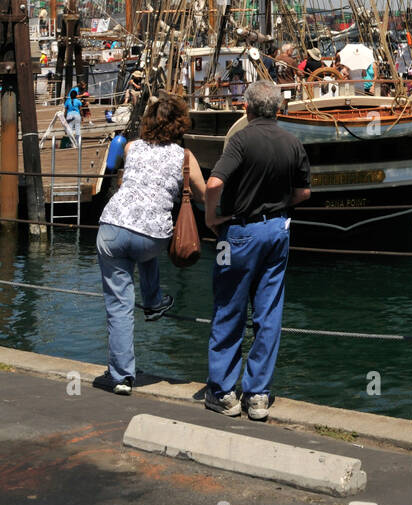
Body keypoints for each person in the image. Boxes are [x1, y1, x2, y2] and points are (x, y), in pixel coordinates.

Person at [204, 80, 311, 421]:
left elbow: (213, 183)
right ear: (278, 109)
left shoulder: (241, 140)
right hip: (277, 231)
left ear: (246, 108)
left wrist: (211, 217)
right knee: (269, 313)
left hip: (237, 233)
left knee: (229, 307)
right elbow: (303, 193)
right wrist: (279, 205)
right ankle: (258, 395)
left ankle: (223, 392)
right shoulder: (293, 143)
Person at [95, 94, 207, 395]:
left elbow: (125, 183)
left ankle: (121, 377)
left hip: (111, 228)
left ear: (148, 122)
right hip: (152, 237)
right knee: (145, 247)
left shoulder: (131, 148)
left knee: (118, 305)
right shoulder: (184, 157)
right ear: (180, 124)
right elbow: (205, 196)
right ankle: (154, 302)